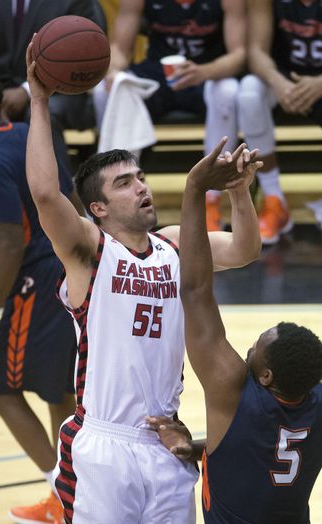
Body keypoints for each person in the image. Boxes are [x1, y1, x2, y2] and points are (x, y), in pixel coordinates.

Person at [25, 37, 261, 523]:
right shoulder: (90, 251)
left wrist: (239, 192)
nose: (141, 187)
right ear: (98, 209)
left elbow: (242, 250)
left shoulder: (175, 242)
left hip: (166, 442)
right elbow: (47, 195)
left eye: (140, 177)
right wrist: (39, 100)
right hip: (103, 445)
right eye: (124, 183)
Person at [148, 135, 322, 523]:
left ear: (266, 376)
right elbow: (267, 451)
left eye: (255, 350)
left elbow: (196, 291)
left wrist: (196, 189)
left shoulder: (233, 393)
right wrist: (199, 447)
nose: (247, 351)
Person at [0, 71, 80, 523]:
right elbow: (70, 194)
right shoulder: (26, 134)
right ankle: (71, 496)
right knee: (60, 392)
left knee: (2, 390)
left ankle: (61, 497)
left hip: (36, 278)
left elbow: (10, 244)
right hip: (71, 262)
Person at [95, 0, 247, 231]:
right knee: (105, 91)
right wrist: (114, 71)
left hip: (206, 72)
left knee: (228, 91)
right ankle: (119, 199)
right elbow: (119, 48)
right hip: (158, 72)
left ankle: (212, 200)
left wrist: (204, 72)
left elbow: (239, 55)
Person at [237, 0, 322, 246]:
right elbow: (255, 52)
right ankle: (273, 201)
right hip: (282, 80)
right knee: (248, 92)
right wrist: (278, 82)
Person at [0, 0, 106, 174]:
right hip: (1, 89)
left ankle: (60, 192)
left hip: (64, 91)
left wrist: (27, 90)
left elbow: (89, 55)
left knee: (41, 113)